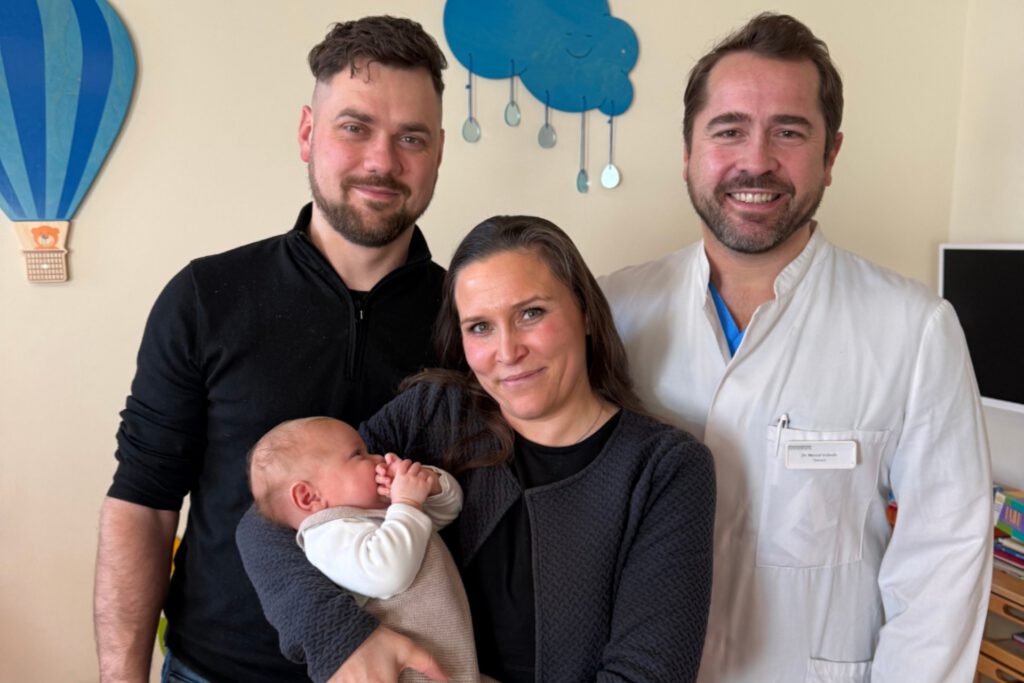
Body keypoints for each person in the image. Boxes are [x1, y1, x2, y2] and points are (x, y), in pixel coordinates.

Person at [600, 12, 992, 683]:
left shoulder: (914, 329)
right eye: (729, 131)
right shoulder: (613, 313)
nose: (756, 160)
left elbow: (943, 564)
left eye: (789, 131)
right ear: (688, 150)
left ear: (831, 155)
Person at [94, 16, 448, 682]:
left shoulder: (472, 320)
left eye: (412, 137)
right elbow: (142, 502)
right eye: (355, 127)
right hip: (212, 670)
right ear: (308, 133)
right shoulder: (207, 296)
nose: (382, 160)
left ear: (438, 152)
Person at [237, 215, 716, 683]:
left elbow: (650, 671)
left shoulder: (664, 468)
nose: (507, 352)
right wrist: (341, 640)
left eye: (531, 313)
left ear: (586, 312)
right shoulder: (434, 414)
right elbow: (267, 523)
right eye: (480, 327)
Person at [248, 416, 484, 683]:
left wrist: (428, 484)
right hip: (403, 672)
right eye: (358, 454)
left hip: (443, 662)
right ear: (309, 497)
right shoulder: (326, 535)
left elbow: (449, 509)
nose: (379, 458)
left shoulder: (378, 513)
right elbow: (387, 573)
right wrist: (406, 502)